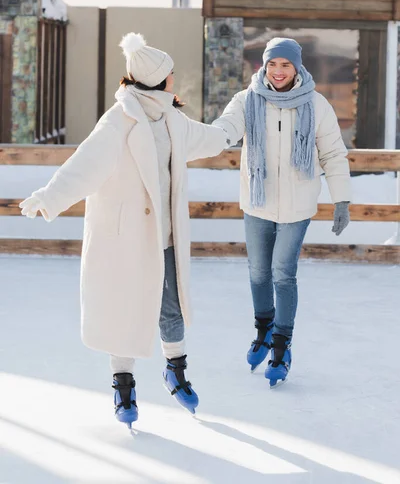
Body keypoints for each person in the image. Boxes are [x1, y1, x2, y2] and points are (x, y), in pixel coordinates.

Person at [20, 33, 229, 427]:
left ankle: (176, 369)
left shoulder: (171, 119)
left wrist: (236, 122)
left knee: (172, 307)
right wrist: (48, 197)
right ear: (157, 79)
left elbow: (210, 137)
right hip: (127, 239)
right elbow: (83, 167)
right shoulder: (117, 122)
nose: (173, 79)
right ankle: (123, 386)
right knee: (124, 309)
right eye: (170, 74)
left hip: (165, 235)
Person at [213, 37, 351, 387]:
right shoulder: (246, 101)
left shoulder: (316, 105)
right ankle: (263, 330)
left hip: (297, 204)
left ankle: (281, 344)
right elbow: (225, 129)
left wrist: (342, 200)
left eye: (285, 65)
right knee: (259, 273)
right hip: (257, 202)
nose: (277, 71)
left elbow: (333, 153)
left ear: (297, 67)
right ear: (263, 66)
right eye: (272, 64)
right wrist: (201, 137)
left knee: (282, 274)